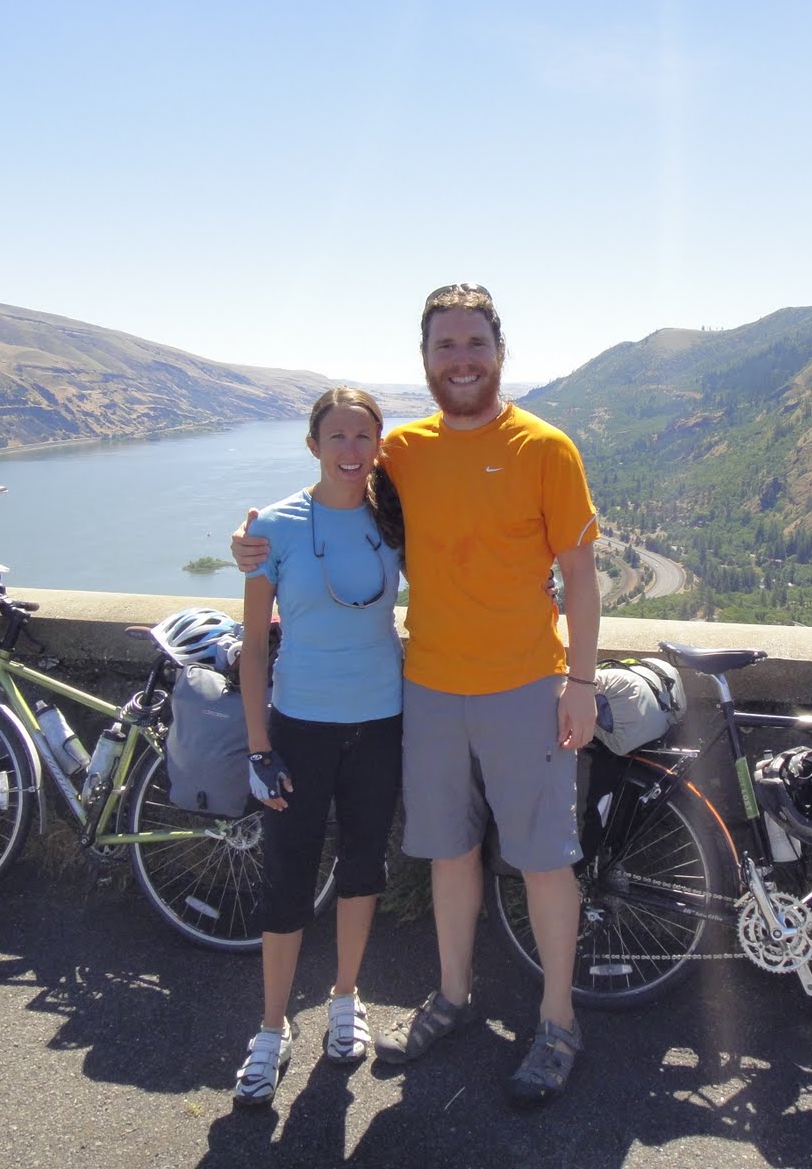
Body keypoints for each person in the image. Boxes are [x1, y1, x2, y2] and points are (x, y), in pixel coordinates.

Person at [233, 282, 600, 1106]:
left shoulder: (546, 447)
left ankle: (557, 1021)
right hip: (428, 686)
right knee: (449, 853)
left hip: (525, 685)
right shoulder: (403, 453)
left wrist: (580, 680)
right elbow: (333, 502)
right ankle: (455, 997)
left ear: (499, 352)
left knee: (544, 859)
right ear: (426, 359)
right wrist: (250, 543)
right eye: (445, 346)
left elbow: (579, 571)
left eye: (474, 344)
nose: (461, 360)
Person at [230, 387, 406, 1109]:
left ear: (377, 444)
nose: (350, 450)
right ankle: (270, 1031)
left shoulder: (392, 519)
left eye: (363, 436)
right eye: (336, 436)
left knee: (363, 865)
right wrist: (257, 744)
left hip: (380, 721)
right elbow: (251, 646)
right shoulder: (273, 528)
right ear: (312, 445)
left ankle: (344, 999)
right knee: (287, 877)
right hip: (298, 726)